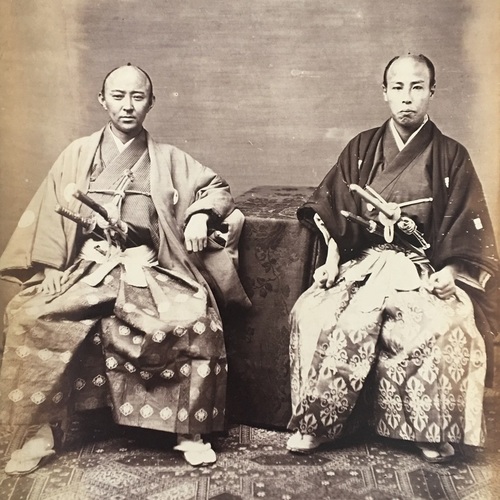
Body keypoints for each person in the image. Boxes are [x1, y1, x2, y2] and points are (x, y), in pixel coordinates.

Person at [0, 64, 250, 472]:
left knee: (194, 320)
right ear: (103, 100)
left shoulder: (168, 158)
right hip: (90, 267)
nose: (127, 105)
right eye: (118, 96)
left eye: (137, 97)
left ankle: (188, 429)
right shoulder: (77, 154)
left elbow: (216, 188)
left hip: (147, 269)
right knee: (30, 314)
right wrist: (49, 268)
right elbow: (49, 213)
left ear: (151, 102)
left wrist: (201, 215)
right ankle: (39, 432)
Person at [286, 54, 498, 463]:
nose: (407, 98)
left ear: (431, 92)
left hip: (421, 267)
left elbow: (468, 224)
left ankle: (428, 427)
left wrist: (451, 272)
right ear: (384, 93)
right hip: (363, 263)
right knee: (314, 313)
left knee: (443, 325)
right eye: (398, 88)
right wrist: (331, 259)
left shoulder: (452, 155)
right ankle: (318, 424)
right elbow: (335, 210)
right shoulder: (362, 148)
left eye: (417, 87)